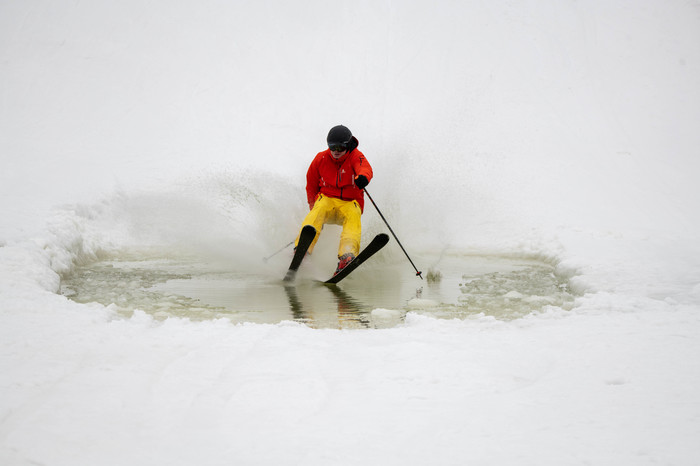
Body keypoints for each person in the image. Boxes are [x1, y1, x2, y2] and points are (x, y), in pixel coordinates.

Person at [295, 125, 373, 275]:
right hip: (327, 199)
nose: (336, 150)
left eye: (341, 147)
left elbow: (365, 168)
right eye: (332, 147)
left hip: (350, 201)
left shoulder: (356, 156)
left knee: (353, 217)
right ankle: (302, 250)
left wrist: (363, 177)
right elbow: (311, 185)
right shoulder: (321, 158)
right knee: (318, 211)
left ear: (348, 145)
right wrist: (312, 206)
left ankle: (347, 255)